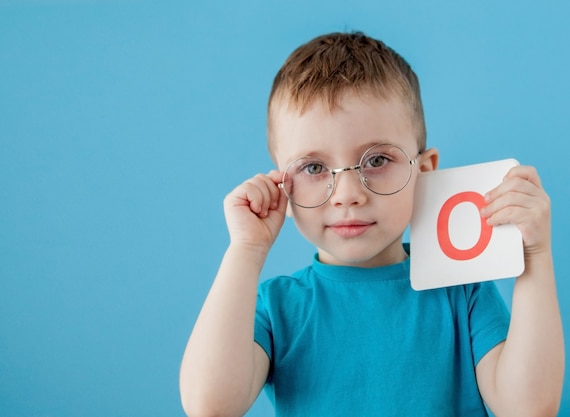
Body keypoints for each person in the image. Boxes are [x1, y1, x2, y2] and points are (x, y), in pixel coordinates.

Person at [179, 31, 564, 416]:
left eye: (377, 161)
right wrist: (245, 251)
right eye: (313, 167)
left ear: (424, 171)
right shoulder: (276, 306)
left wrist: (536, 255)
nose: (348, 194)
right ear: (284, 188)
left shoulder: (461, 291)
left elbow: (529, 408)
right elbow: (210, 405)